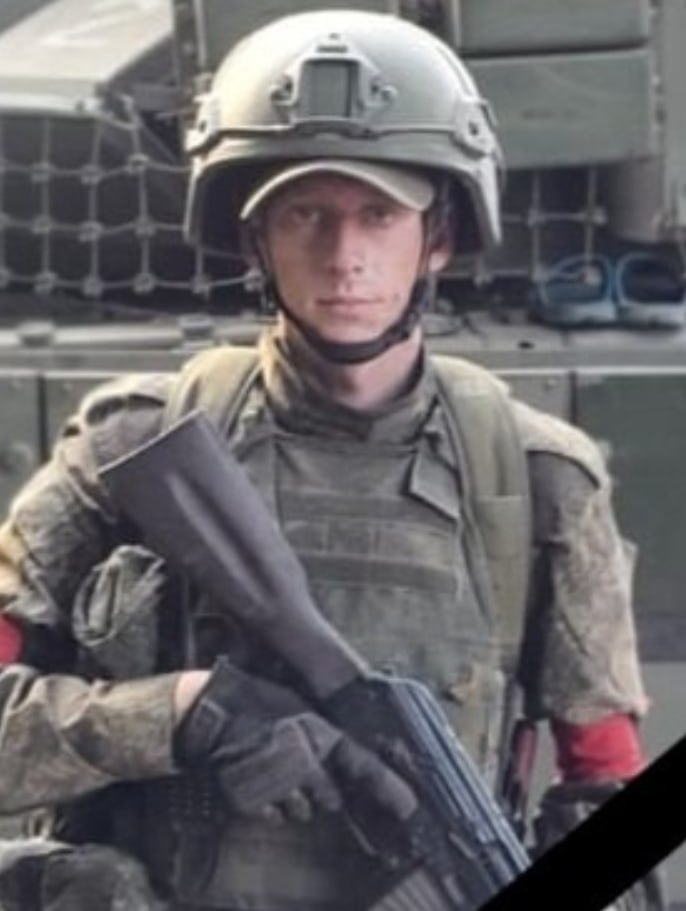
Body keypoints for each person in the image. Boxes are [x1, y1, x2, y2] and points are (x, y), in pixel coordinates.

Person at [0, 9, 662, 911]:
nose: (344, 256)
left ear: (439, 237)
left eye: (379, 215)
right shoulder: (137, 446)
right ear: (255, 239)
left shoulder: (536, 477)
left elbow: (603, 772)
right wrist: (181, 712)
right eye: (304, 214)